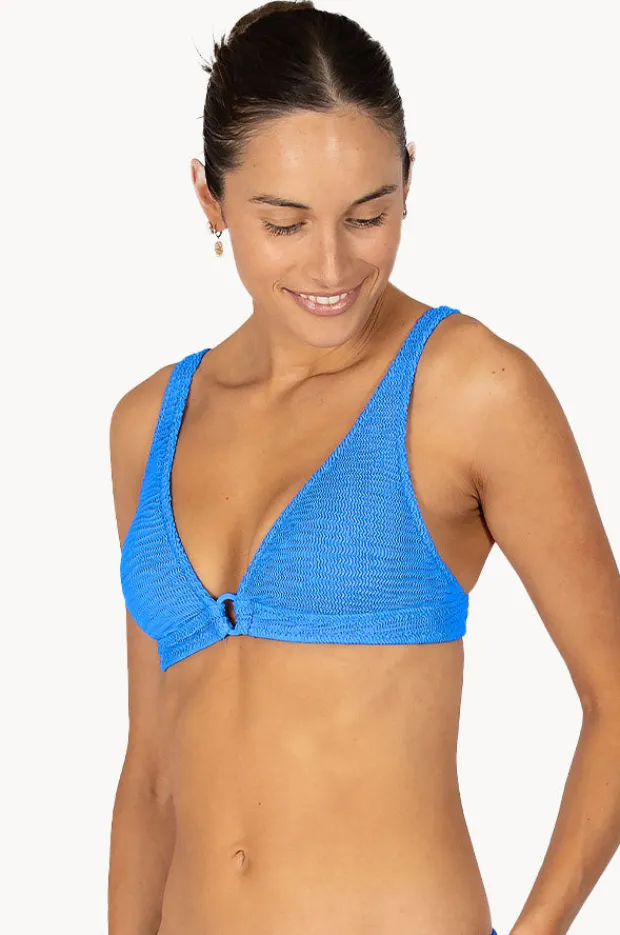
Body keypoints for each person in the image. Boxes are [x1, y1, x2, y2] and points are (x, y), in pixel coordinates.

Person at [107, 3, 620, 934]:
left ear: (408, 180)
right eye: (285, 223)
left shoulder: (468, 388)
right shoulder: (149, 424)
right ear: (210, 199)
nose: (332, 265)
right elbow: (151, 775)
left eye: (369, 215)